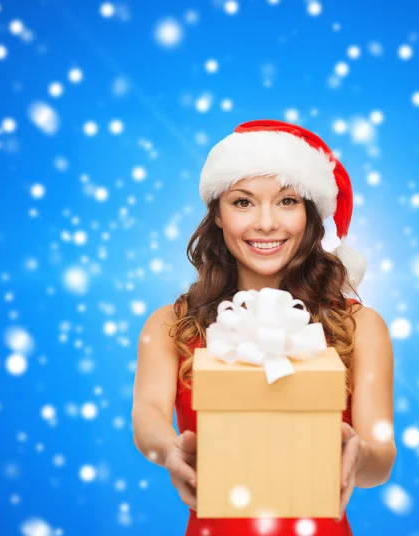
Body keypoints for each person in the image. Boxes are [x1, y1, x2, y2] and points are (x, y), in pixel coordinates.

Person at [132, 120, 397, 535]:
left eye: (287, 201)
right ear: (217, 214)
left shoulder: (360, 327)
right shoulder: (171, 325)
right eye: (243, 202)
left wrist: (358, 456)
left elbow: (380, 456)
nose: (267, 223)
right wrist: (169, 451)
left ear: (310, 213)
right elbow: (148, 416)